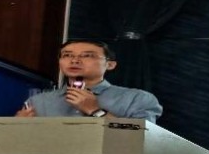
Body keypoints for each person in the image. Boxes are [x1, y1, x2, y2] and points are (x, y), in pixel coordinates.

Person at [16, 40, 163, 123]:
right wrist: (13, 128)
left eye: (87, 56)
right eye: (67, 55)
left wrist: (96, 111)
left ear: (110, 65)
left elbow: (143, 141)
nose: (75, 60)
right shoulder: (38, 101)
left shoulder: (136, 99)